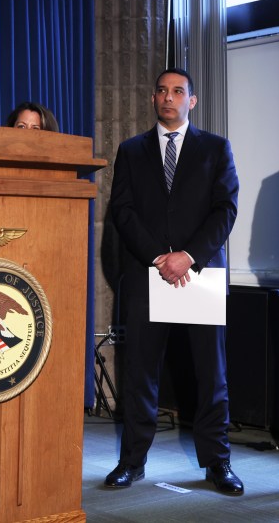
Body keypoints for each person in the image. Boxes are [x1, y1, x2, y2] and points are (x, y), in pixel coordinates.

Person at [104, 69, 243, 495]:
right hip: (149, 275)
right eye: (162, 91)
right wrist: (158, 258)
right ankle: (132, 462)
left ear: (192, 101)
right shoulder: (130, 150)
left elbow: (225, 209)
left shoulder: (216, 148)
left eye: (178, 91)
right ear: (153, 99)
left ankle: (218, 463)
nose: (169, 98)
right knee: (139, 374)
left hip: (199, 275)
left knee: (210, 374)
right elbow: (122, 212)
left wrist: (188, 257)